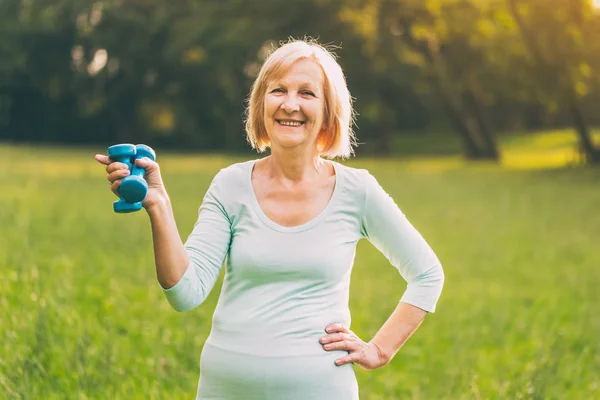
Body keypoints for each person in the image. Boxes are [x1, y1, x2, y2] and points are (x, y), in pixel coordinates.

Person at [95, 39, 444, 399]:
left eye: (307, 93)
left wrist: (379, 349)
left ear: (328, 110)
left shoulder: (358, 191)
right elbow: (185, 292)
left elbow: (427, 274)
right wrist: (159, 205)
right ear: (262, 104)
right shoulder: (230, 185)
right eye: (278, 90)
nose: (290, 104)